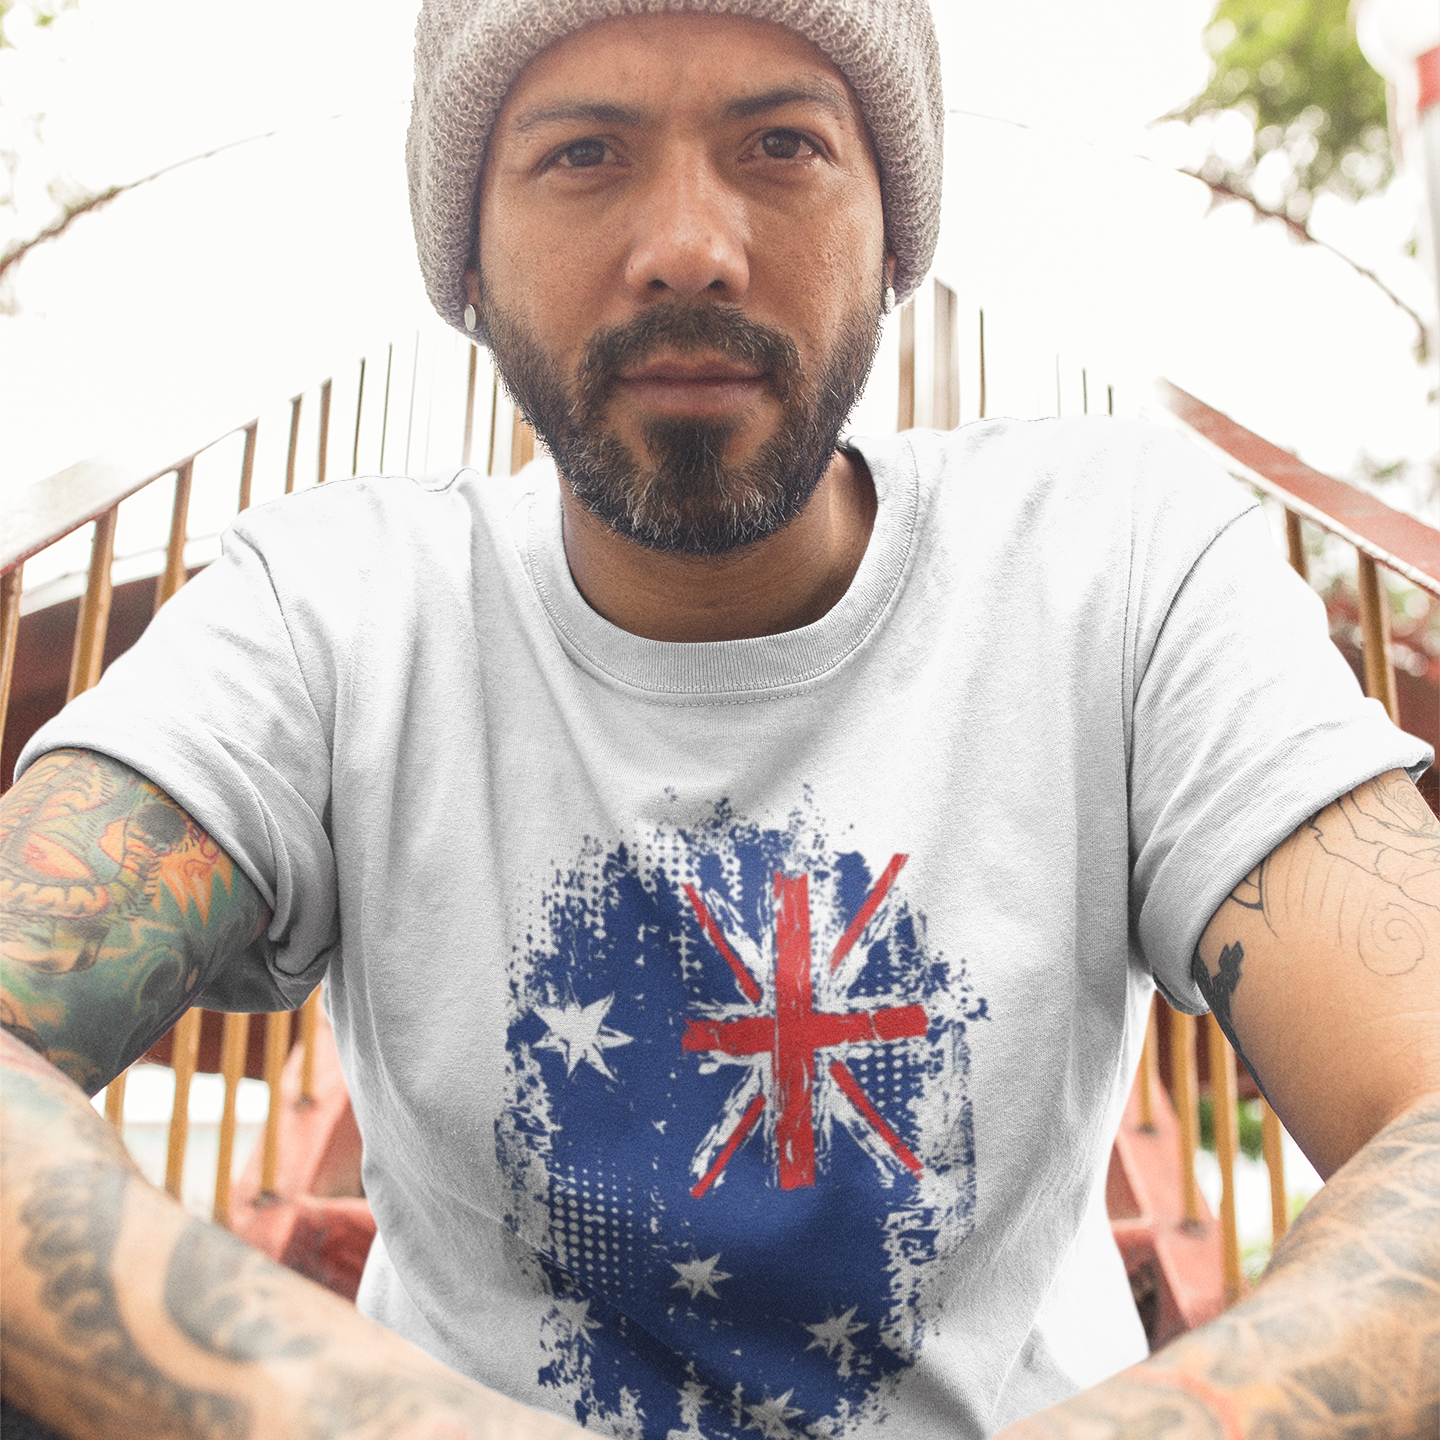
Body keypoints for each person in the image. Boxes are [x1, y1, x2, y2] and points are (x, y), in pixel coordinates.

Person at [1, 1, 1436, 1437]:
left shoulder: (1120, 557)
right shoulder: (332, 602)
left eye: (782, 143)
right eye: (583, 154)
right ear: (467, 269)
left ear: (895, 237)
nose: (690, 242)